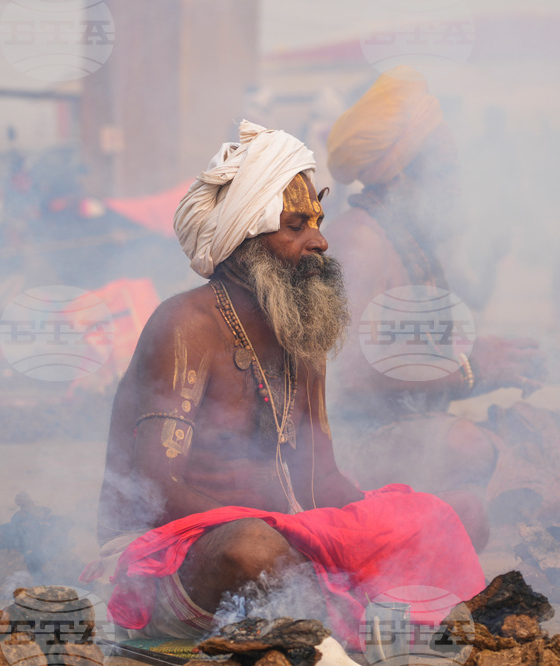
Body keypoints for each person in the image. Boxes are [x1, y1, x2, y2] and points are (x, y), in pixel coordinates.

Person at [89, 121, 484, 647]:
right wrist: (290, 532)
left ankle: (332, 615)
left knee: (447, 516)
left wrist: (366, 529)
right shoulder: (184, 325)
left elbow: (322, 478)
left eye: (316, 222)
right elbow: (154, 491)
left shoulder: (303, 332)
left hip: (294, 544)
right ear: (246, 236)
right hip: (166, 559)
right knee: (253, 549)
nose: (320, 240)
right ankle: (342, 624)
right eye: (296, 225)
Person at [324, 67, 560, 524]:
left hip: (409, 427)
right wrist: (471, 368)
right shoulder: (359, 243)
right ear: (400, 176)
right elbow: (344, 373)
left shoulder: (410, 240)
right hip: (347, 446)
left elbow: (408, 348)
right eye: (446, 170)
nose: (456, 184)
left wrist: (500, 359)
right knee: (468, 448)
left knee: (554, 433)